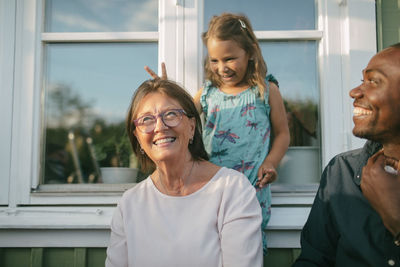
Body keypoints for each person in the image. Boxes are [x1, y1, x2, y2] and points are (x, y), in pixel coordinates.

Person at [146, 13, 290, 254]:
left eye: (230, 58)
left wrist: (271, 162)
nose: (222, 68)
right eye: (215, 60)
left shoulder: (266, 90)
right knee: (206, 248)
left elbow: (283, 134)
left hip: (252, 190)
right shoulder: (207, 93)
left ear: (250, 52)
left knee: (244, 250)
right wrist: (165, 93)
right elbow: (179, 117)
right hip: (209, 189)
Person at [105, 79, 263, 267]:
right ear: (138, 138)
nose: (159, 126)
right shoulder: (129, 205)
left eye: (171, 114)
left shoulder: (232, 189)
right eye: (147, 119)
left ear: (191, 126)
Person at [293, 43, 400, 266]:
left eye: (374, 81)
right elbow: (313, 262)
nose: (355, 92)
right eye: (363, 80)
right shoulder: (341, 172)